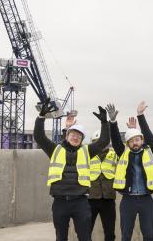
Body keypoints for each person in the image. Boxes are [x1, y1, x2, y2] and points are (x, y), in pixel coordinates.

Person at [34, 100, 110, 241]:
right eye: (73, 134)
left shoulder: (87, 151)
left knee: (85, 237)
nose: (76, 137)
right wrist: (41, 116)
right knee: (61, 237)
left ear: (82, 140)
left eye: (79, 136)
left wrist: (105, 123)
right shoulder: (55, 149)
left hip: (80, 202)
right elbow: (39, 137)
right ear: (67, 136)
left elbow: (104, 141)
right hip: (60, 202)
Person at [109, 105, 153, 241]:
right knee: (126, 235)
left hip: (146, 200)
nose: (135, 143)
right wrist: (113, 122)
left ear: (142, 140)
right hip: (128, 200)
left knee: (148, 235)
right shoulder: (123, 153)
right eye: (131, 141)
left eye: (137, 140)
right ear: (128, 143)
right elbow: (115, 140)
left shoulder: (149, 152)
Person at [87, 128, 118, 241]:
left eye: (103, 141)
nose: (100, 144)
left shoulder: (114, 154)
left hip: (108, 199)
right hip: (90, 199)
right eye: (97, 141)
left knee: (110, 233)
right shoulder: (87, 154)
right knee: (85, 231)